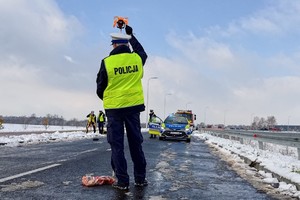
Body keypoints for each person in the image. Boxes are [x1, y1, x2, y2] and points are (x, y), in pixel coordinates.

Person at [96, 24, 148, 191]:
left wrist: (110, 99)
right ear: (126, 44)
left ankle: (122, 181)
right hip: (133, 110)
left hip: (114, 111)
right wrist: (131, 35)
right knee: (135, 144)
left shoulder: (107, 62)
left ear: (114, 44)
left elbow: (100, 87)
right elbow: (142, 52)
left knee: (117, 146)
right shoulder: (137, 59)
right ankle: (140, 179)